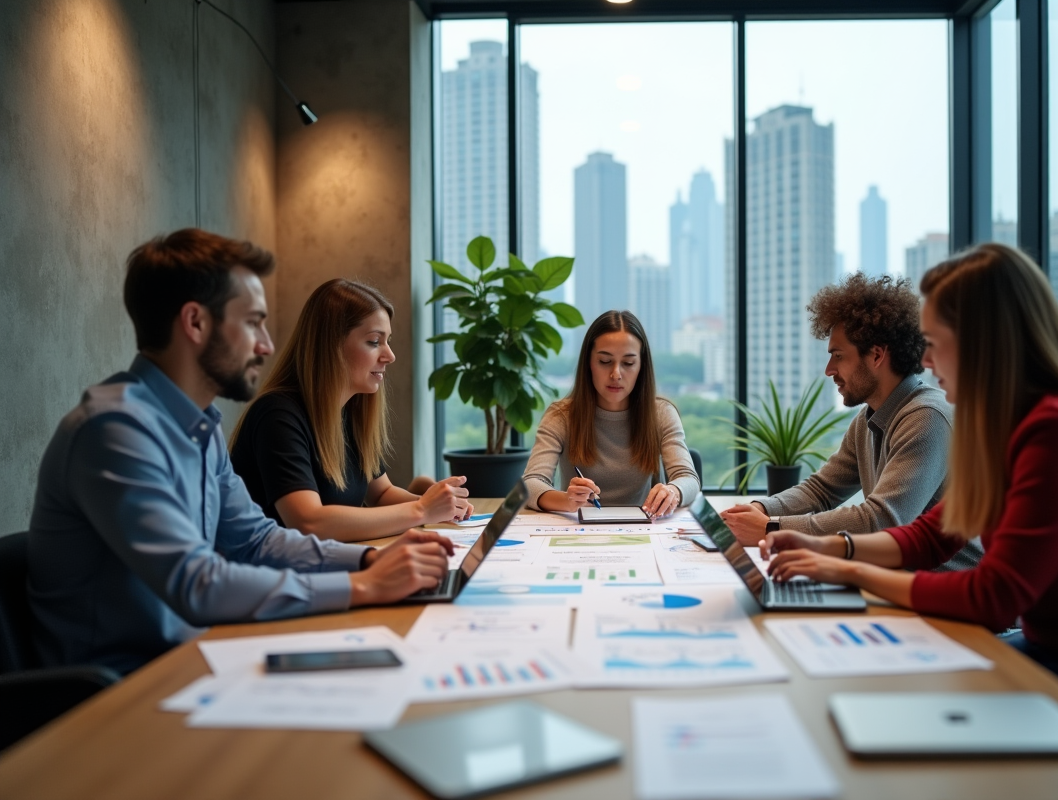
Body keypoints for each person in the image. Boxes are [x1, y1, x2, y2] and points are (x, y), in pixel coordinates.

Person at [760, 243, 1058, 696]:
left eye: (935, 344)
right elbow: (933, 534)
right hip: (1057, 651)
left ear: (982, 344)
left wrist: (849, 570)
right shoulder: (1005, 426)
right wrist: (829, 547)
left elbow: (994, 598)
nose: (925, 361)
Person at [26, 229, 453, 675]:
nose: (266, 344)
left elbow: (256, 541)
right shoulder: (114, 431)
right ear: (195, 323)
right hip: (121, 687)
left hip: (201, 653)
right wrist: (362, 586)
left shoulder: (200, 427)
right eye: (252, 323)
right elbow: (197, 583)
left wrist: (370, 559)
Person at [721, 273, 981, 570]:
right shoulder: (869, 418)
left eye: (838, 355)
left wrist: (772, 529)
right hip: (899, 581)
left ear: (877, 355)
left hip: (949, 590)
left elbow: (883, 520)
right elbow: (821, 490)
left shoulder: (927, 418)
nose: (829, 370)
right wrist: (757, 510)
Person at [229, 279, 471, 543]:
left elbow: (381, 494)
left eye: (388, 341)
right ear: (331, 346)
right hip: (271, 568)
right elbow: (308, 522)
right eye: (374, 341)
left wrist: (442, 506)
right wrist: (421, 509)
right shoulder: (277, 415)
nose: (390, 355)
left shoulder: (349, 411)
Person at [523, 310, 700, 518]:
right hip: (578, 530)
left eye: (628, 363)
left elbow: (688, 478)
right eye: (605, 361)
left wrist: (673, 491)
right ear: (589, 363)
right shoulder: (561, 416)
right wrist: (566, 500)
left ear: (641, 367)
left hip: (645, 529)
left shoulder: (661, 413)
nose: (616, 374)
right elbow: (530, 483)